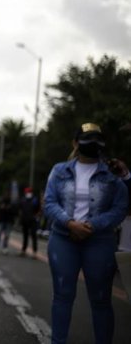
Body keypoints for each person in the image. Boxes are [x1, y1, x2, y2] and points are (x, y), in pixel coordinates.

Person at [43, 123, 128, 344]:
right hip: (63, 238)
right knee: (62, 296)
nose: (93, 143)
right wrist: (69, 223)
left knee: (101, 300)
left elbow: (120, 207)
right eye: (87, 138)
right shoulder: (59, 170)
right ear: (75, 143)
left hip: (100, 241)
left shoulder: (112, 172)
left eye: (97, 139)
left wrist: (93, 225)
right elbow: (50, 202)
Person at [19, 187, 41, 258]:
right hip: (25, 220)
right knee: (25, 236)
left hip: (32, 220)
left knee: (33, 236)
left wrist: (36, 216)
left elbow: (39, 209)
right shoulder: (23, 199)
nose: (27, 193)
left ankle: (34, 252)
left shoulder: (35, 200)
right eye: (26, 192)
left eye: (28, 192)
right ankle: (23, 250)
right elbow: (20, 209)